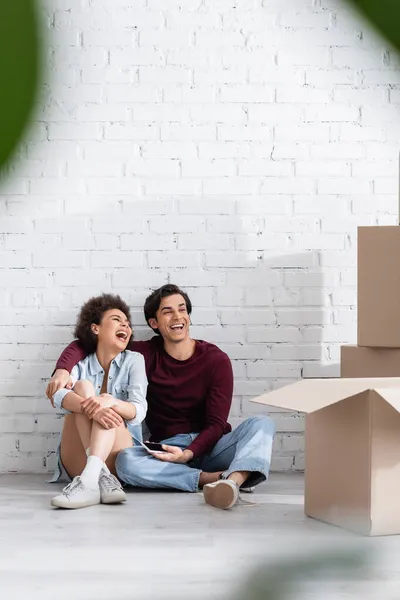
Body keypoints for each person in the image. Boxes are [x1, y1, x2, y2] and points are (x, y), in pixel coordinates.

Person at [47, 284, 275, 510]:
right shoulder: (143, 354)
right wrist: (63, 369)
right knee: (126, 462)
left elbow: (216, 424)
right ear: (153, 323)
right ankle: (215, 479)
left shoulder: (216, 360)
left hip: (213, 446)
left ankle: (232, 483)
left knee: (262, 423)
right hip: (165, 449)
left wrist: (189, 453)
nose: (178, 316)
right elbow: (91, 343)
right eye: (168, 311)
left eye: (182, 309)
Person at [49, 293, 148, 510]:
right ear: (96, 328)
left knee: (93, 395)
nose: (125, 325)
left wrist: (110, 402)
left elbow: (139, 410)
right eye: (116, 319)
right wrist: (94, 409)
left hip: (120, 454)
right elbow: (56, 396)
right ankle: (95, 478)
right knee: (83, 386)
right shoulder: (80, 363)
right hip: (77, 458)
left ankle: (89, 481)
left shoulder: (134, 361)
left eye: (127, 323)